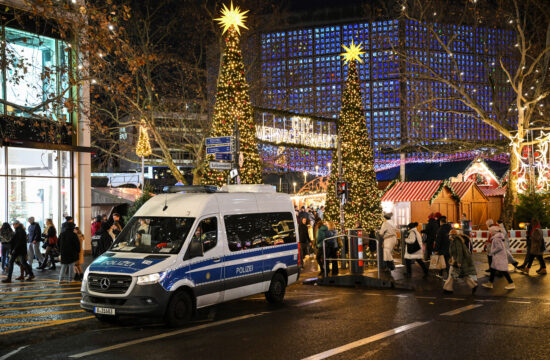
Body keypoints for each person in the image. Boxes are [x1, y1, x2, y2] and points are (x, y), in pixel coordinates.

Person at [443, 230, 478, 294]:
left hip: (458, 261)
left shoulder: (457, 241)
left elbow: (460, 252)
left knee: (451, 275)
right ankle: (474, 285)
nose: (449, 236)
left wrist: (458, 262)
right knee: (464, 275)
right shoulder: (454, 241)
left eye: (450, 235)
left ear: (453, 235)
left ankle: (448, 289)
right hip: (457, 260)